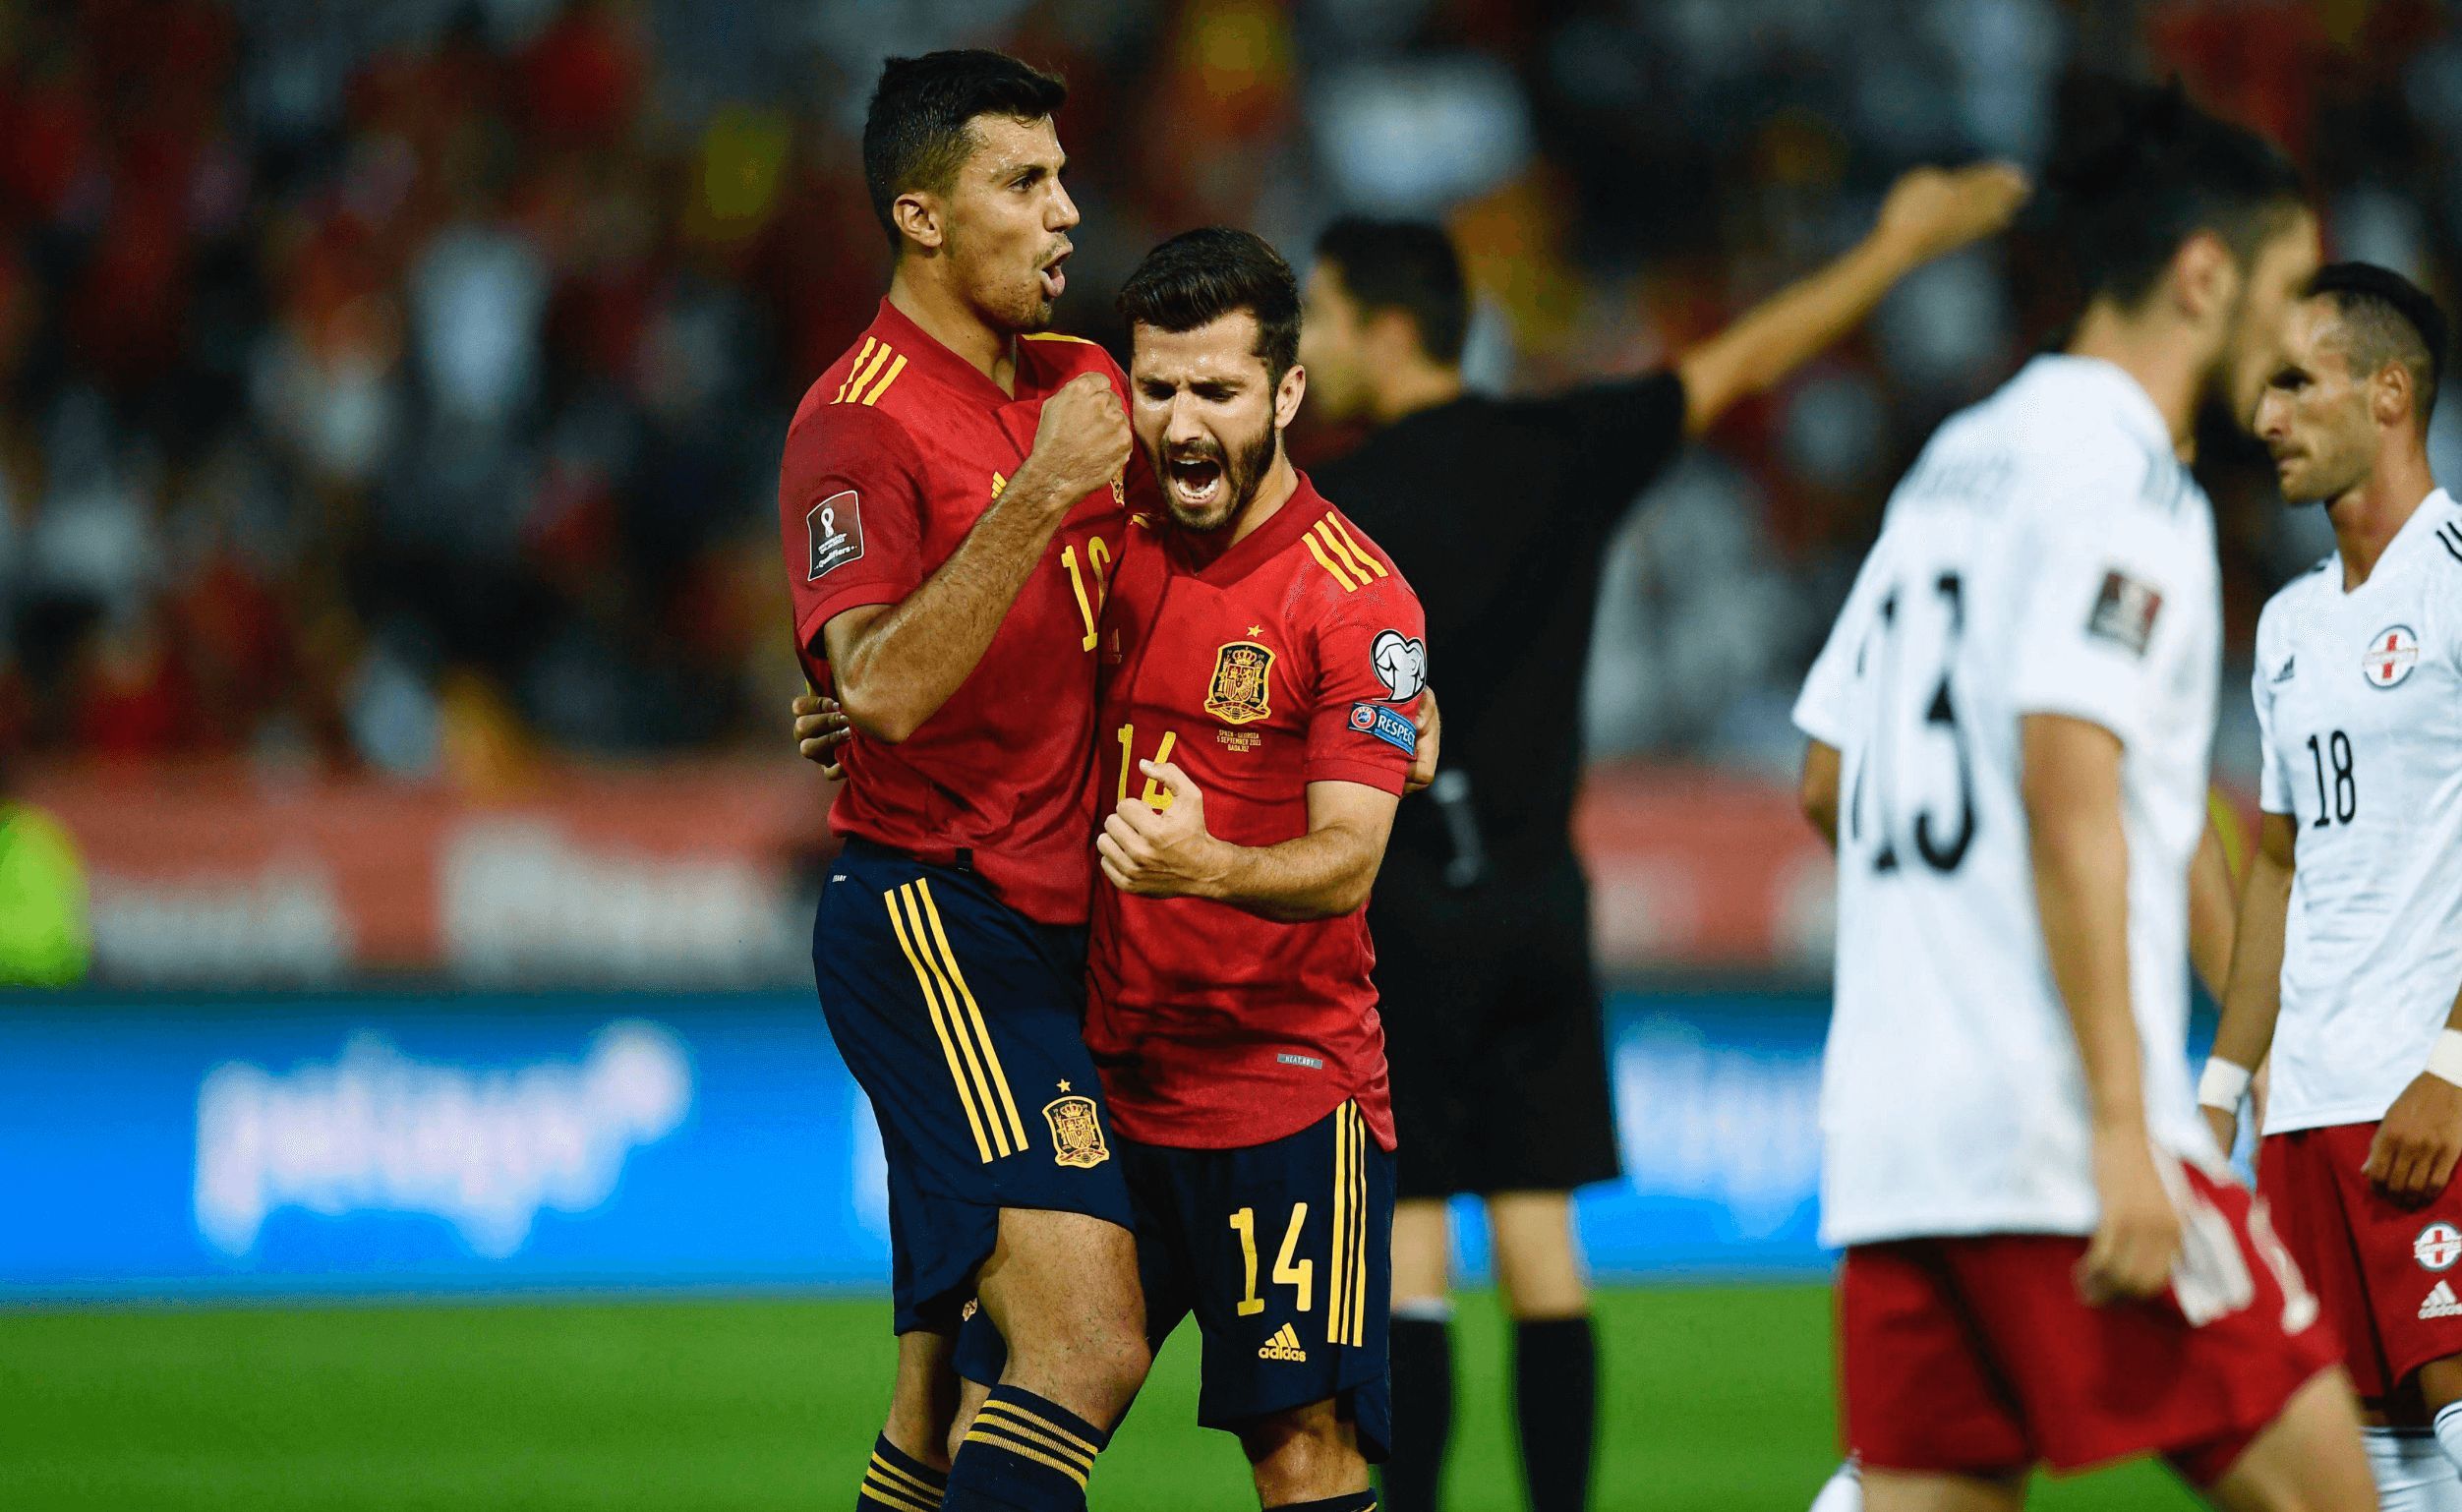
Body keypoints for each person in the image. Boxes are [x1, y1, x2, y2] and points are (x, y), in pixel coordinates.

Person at [1295, 163, 2029, 1512]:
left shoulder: (1331, 507)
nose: (1311, 351)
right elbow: (1747, 356)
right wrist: (1897, 244)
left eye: (1323, 319)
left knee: (1407, 1252)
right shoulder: (1564, 448)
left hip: (1393, 905)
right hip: (1538, 904)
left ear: (1387, 328)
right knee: (1544, 1248)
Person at [1788, 81, 2374, 1510]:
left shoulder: (1956, 462)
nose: (2306, 340)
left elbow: (1830, 775)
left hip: (1898, 1136)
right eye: (2292, 289)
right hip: (2056, 1129)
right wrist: (2124, 1121)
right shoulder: (2128, 487)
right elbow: (2070, 784)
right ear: (2203, 274)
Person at [951, 226, 1423, 1512]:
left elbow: (1348, 862)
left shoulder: (1354, 598)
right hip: (1105, 1085)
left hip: (1281, 1091)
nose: (1182, 422)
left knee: (1302, 1454)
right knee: (1001, 1405)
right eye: (1158, 389)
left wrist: (1202, 862)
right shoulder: (1108, 536)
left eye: (1216, 390)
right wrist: (857, 697)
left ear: (1286, 393)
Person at [774, 49, 1154, 1512]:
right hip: (943, 918)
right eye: (1023, 181)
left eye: (1062, 178)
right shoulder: (857, 418)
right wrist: (1042, 492)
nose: (1066, 212)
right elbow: (869, 678)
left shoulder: (1079, 381)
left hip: (1072, 933)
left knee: (942, 1395)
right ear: (921, 216)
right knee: (1084, 1341)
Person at [2200, 262, 2462, 1512]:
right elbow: (2277, 864)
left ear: (2388, 394)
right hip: (2304, 1115)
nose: (2265, 417)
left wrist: (2454, 1065)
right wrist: (2218, 1093)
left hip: (2429, 1104)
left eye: (2296, 382)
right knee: (2373, 1487)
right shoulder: (2290, 624)